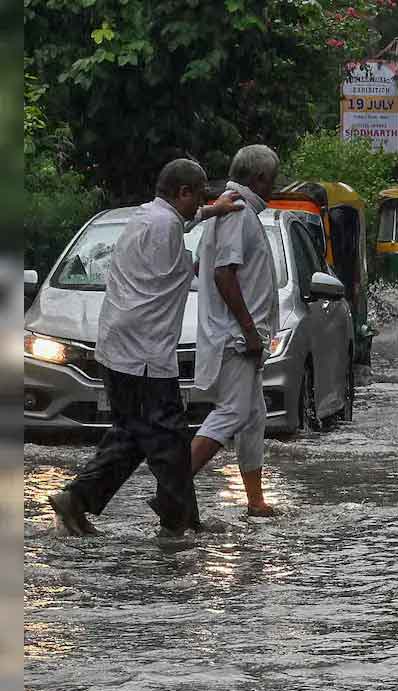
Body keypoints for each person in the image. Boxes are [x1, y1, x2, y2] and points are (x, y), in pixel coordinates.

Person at [48, 159, 244, 537]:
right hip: (144, 355)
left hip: (119, 347)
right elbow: (194, 265)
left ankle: (77, 499)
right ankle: (179, 525)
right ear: (183, 192)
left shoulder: (146, 215)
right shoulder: (166, 227)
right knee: (168, 438)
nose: (203, 200)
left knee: (133, 434)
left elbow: (180, 220)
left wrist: (209, 212)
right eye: (200, 194)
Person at [192, 144, 282, 517]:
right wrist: (247, 329)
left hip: (245, 335)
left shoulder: (232, 210)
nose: (275, 186)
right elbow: (222, 273)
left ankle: (255, 499)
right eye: (273, 179)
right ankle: (173, 485)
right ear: (259, 178)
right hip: (237, 337)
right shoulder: (237, 213)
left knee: (252, 416)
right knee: (232, 412)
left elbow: (210, 268)